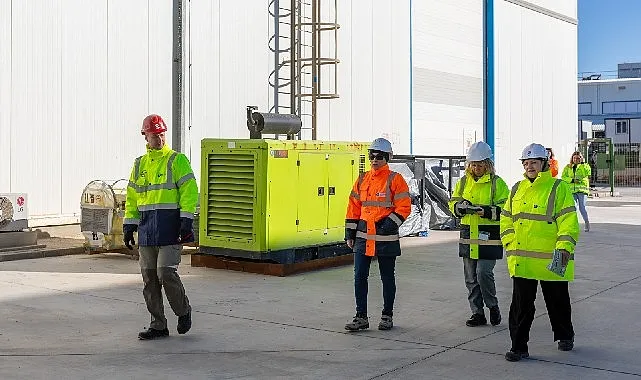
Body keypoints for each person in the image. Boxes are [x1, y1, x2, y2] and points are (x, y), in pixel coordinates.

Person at [500, 143, 579, 362]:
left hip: (551, 257)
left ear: (543, 163)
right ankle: (518, 347)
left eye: (533, 162)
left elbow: (569, 221)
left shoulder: (558, 187)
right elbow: (506, 218)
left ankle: (565, 335)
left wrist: (564, 247)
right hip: (522, 259)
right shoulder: (516, 189)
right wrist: (509, 242)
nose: (529, 166)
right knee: (520, 307)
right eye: (526, 163)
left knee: (558, 302)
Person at [123, 114, 198, 340]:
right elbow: (132, 196)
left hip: (171, 227)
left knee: (165, 272)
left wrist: (186, 219)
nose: (160, 138)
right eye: (155, 135)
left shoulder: (177, 160)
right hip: (147, 230)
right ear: (145, 136)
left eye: (162, 134)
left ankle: (183, 311)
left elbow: (189, 190)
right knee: (149, 277)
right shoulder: (139, 164)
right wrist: (129, 224)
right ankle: (158, 325)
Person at [344, 137, 411, 331]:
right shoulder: (362, 179)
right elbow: (353, 207)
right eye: (371, 156)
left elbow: (404, 207)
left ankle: (387, 316)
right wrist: (350, 232)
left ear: (387, 157)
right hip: (363, 238)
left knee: (387, 278)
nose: (374, 160)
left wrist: (387, 226)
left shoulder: (395, 179)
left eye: (379, 156)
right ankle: (360, 317)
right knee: (359, 277)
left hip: (385, 239)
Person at [449, 141, 509, 327]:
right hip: (468, 234)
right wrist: (460, 207)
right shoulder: (463, 181)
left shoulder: (497, 183)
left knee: (484, 273)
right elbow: (453, 202)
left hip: (488, 235)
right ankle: (477, 313)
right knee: (470, 278)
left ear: (488, 164)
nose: (476, 168)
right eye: (473, 164)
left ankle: (492, 306)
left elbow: (506, 208)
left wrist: (486, 211)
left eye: (480, 164)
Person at [562, 151, 591, 232]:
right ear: (572, 158)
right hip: (572, 190)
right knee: (573, 207)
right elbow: (563, 177)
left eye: (578, 158)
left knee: (582, 207)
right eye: (574, 158)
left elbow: (586, 173)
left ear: (581, 158)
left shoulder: (585, 166)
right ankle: (574, 224)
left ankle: (586, 222)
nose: (576, 160)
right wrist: (572, 180)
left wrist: (582, 164)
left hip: (582, 190)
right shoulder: (568, 167)